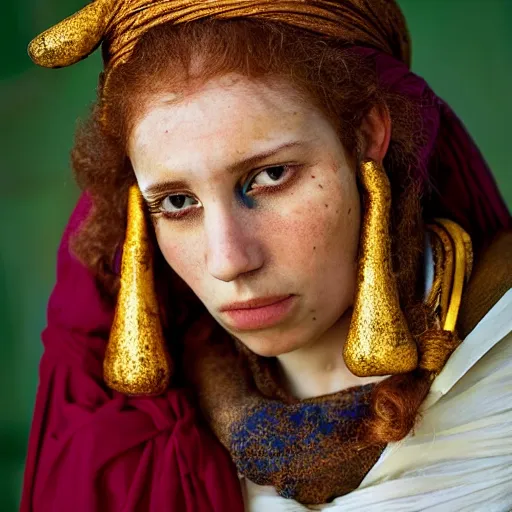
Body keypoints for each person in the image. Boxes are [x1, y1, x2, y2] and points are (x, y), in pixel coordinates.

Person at [21, 1, 512, 511]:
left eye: (271, 175)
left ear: (366, 137)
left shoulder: (502, 361)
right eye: (177, 202)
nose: (228, 261)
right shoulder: (138, 448)